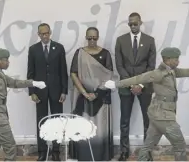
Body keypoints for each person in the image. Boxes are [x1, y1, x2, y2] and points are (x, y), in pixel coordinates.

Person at [104, 47, 189, 161]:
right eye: (176, 59)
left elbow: (188, 71)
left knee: (148, 145)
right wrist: (116, 84)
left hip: (157, 115)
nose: (178, 61)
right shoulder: (158, 74)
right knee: (180, 145)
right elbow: (138, 78)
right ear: (167, 60)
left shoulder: (172, 71)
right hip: (164, 117)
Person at [115, 12, 156, 160]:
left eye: (135, 23)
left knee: (148, 120)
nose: (133, 26)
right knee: (124, 121)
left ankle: (147, 152)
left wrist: (140, 84)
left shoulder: (150, 41)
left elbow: (151, 66)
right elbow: (119, 65)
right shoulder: (120, 40)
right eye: (130, 24)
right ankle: (124, 151)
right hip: (126, 86)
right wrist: (132, 83)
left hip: (145, 87)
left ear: (140, 22)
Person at [68, 27, 114, 161]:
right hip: (81, 96)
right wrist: (84, 93)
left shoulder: (105, 54)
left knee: (100, 126)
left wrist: (97, 93)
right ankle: (83, 154)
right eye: (89, 38)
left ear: (98, 37)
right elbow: (73, 73)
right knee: (82, 124)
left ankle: (100, 154)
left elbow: (109, 76)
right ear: (86, 38)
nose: (92, 41)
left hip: (102, 96)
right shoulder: (80, 52)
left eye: (94, 38)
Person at [27, 23, 68, 161]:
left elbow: (63, 71)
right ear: (38, 34)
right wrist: (31, 91)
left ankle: (56, 151)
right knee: (41, 121)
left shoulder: (59, 47)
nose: (45, 36)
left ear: (50, 33)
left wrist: (64, 90)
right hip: (40, 92)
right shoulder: (33, 50)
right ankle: (42, 151)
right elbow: (30, 72)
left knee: (57, 120)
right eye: (42, 34)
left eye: (47, 33)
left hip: (57, 91)